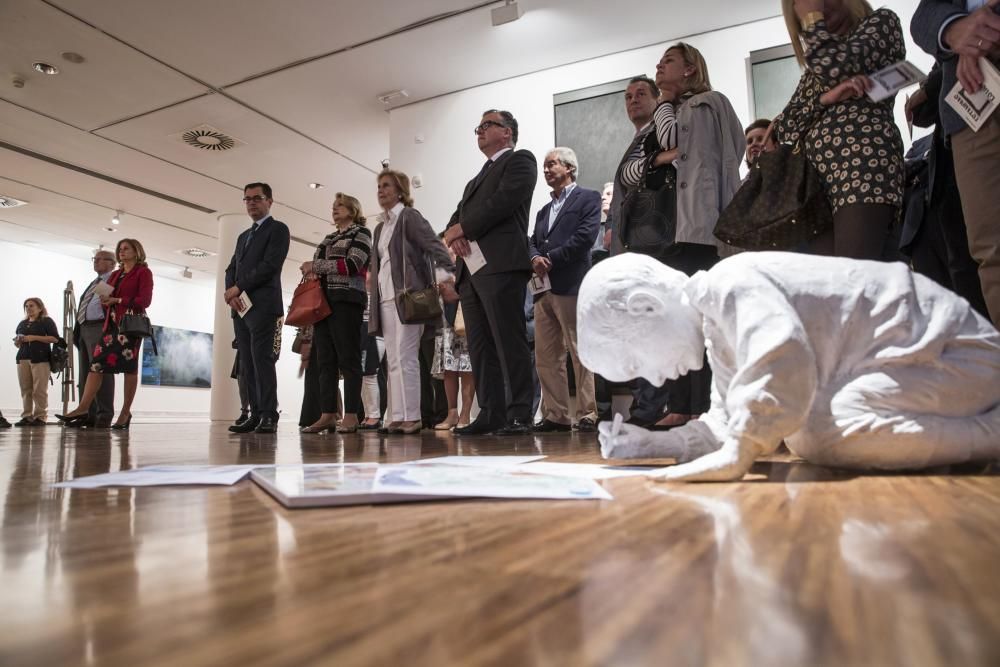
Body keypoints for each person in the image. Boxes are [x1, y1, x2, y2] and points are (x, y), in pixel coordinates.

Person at [581, 253, 1000, 482]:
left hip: (953, 354)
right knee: (807, 429)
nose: (652, 379)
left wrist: (741, 453)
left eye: (636, 362)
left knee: (816, 432)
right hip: (919, 364)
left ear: (646, 305)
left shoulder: (731, 283)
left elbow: (782, 356)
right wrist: (653, 446)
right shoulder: (719, 330)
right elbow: (727, 422)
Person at [618, 42, 745, 429]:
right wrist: (660, 157)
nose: (659, 65)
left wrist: (668, 123)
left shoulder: (710, 102)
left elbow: (711, 148)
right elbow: (631, 173)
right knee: (676, 321)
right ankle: (679, 404)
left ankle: (701, 406)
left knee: (701, 321)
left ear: (690, 69)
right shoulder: (664, 113)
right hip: (667, 232)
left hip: (700, 227)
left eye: (668, 61)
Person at [770, 0, 906, 260]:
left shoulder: (881, 23)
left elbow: (841, 68)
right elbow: (785, 126)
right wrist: (826, 99)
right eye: (808, 8)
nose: (818, 7)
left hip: (863, 168)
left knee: (855, 276)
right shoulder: (815, 68)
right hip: (815, 187)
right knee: (830, 285)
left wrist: (811, 21)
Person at [443, 109, 537, 436]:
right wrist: (454, 235)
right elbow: (454, 220)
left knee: (509, 341)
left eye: (487, 125)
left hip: (501, 266)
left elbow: (503, 202)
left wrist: (463, 229)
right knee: (481, 347)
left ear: (507, 133)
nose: (480, 131)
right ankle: (491, 413)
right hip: (471, 272)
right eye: (478, 126)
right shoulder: (474, 180)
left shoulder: (521, 161)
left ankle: (521, 413)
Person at [911, 0, 1000, 326]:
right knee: (989, 250)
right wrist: (955, 30)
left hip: (973, 79)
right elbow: (923, 17)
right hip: (971, 102)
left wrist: (984, 28)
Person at [369, 169, 457, 435]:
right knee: (393, 358)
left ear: (400, 191)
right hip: (385, 298)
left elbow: (435, 246)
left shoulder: (409, 217)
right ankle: (397, 416)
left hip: (409, 298)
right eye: (379, 186)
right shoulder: (379, 227)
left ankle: (413, 416)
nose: (381, 190)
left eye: (387, 186)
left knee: (406, 356)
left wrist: (449, 277)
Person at [528, 147, 601, 433]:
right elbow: (533, 240)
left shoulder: (588, 198)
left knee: (579, 351)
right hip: (543, 290)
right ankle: (556, 415)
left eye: (551, 164)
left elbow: (585, 237)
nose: (546, 170)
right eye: (545, 166)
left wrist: (551, 259)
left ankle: (587, 413)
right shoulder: (544, 210)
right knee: (546, 356)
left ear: (569, 168)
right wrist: (535, 257)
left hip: (571, 284)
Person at [56, 238, 154, 429]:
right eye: (120, 249)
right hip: (111, 326)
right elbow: (101, 298)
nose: (122, 252)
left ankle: (125, 412)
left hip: (130, 326)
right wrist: (107, 300)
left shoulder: (143, 272)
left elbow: (145, 301)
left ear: (137, 251)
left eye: (126, 249)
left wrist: (117, 300)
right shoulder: (116, 275)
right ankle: (83, 407)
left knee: (129, 370)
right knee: (96, 366)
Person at [298, 192, 372, 434]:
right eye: (333, 206)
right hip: (324, 303)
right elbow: (317, 265)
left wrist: (317, 267)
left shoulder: (361, 233)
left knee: (348, 358)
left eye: (340, 205)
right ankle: (327, 414)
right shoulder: (328, 238)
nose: (335, 209)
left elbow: (352, 265)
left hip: (348, 301)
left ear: (353, 209)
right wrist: (315, 268)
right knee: (325, 361)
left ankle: (351, 414)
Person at [224, 182, 291, 434]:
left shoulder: (278, 230)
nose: (251, 202)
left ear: (269, 201)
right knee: (247, 363)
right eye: (247, 199)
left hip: (263, 306)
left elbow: (269, 266)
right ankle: (253, 413)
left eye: (257, 198)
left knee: (262, 360)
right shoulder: (243, 236)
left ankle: (268, 414)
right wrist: (230, 291)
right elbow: (232, 267)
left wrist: (238, 286)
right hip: (240, 308)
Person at [430, 237, 476, 430]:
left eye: (446, 246)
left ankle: (465, 414)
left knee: (466, 368)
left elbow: (472, 291)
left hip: (464, 323)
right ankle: (452, 413)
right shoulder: (435, 271)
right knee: (448, 370)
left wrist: (453, 284)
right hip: (444, 326)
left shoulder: (468, 266)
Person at [73, 249, 117, 428]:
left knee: (101, 371)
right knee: (85, 373)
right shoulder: (95, 282)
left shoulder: (112, 279)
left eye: (100, 259)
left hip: (99, 327)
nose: (96, 262)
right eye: (95, 259)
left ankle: (103, 415)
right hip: (84, 328)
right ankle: (87, 414)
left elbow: (105, 304)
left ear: (111, 263)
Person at [14, 297, 59, 426]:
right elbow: (18, 345)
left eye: (31, 306)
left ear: (40, 308)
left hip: (40, 359)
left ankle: (40, 417)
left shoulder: (46, 321)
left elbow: (55, 339)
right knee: (25, 389)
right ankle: (27, 416)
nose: (28, 308)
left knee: (39, 390)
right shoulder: (22, 324)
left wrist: (32, 338)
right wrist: (18, 341)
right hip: (22, 359)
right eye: (26, 306)